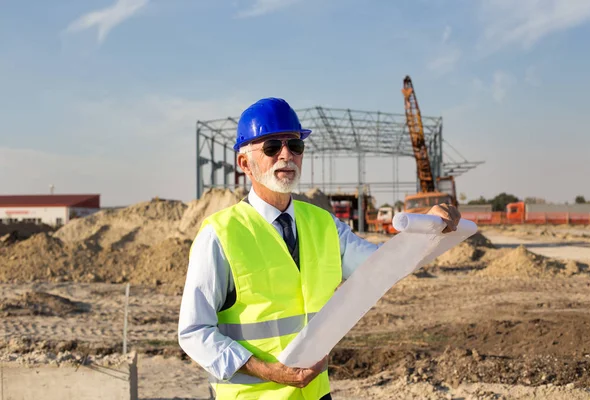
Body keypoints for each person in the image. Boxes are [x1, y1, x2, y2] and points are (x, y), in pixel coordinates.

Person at [178, 97, 461, 399]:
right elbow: (194, 333)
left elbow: (384, 267)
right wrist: (267, 370)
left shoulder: (324, 224)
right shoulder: (219, 235)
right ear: (245, 163)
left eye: (295, 145)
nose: (286, 154)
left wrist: (429, 230)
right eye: (272, 147)